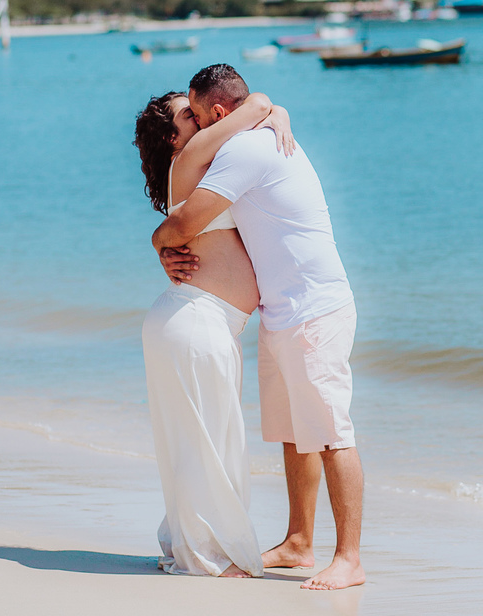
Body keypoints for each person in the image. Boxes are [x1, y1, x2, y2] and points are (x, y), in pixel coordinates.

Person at [153, 63, 364, 591]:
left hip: (314, 309)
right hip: (281, 309)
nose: (199, 128)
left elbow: (182, 224)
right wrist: (268, 104)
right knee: (295, 434)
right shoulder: (249, 136)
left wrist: (160, 244)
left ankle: (350, 559)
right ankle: (298, 543)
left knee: (332, 433)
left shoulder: (244, 150)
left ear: (219, 113)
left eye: (198, 116)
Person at [134, 88, 295, 579]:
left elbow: (254, 108)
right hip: (196, 322)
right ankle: (213, 559)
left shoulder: (202, 165)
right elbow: (250, 107)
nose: (203, 119)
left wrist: (276, 110)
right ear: (171, 136)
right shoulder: (191, 159)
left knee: (204, 444)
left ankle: (192, 549)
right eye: (189, 114)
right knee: (208, 447)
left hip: (199, 323)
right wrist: (269, 108)